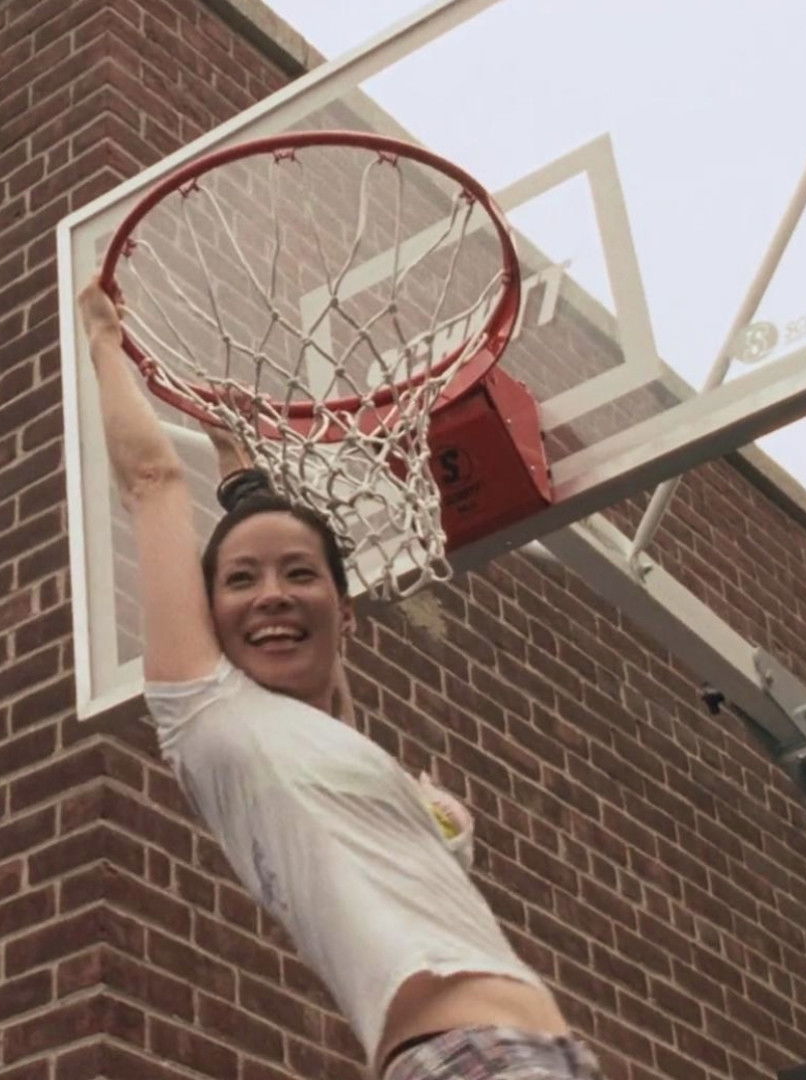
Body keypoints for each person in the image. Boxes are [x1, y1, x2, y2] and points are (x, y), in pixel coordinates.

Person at [77, 278, 601, 1080]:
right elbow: (152, 481)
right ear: (209, 617)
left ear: (344, 611)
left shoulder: (332, 746)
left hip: (547, 1057)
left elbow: (292, 587)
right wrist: (103, 341)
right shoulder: (211, 715)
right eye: (240, 581)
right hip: (467, 1058)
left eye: (299, 575)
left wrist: (240, 470)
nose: (272, 594)